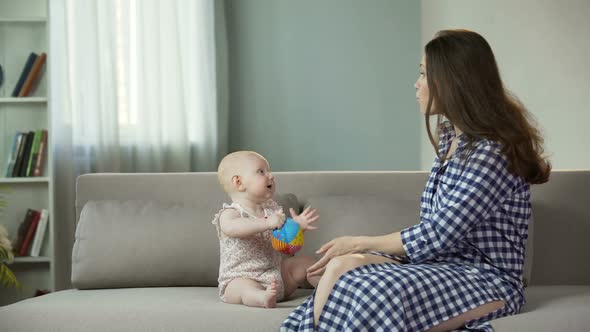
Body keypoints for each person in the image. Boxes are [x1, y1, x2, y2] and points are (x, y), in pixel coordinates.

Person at [281, 29, 551, 331]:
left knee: (372, 291)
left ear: (451, 82)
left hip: (486, 280)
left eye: (423, 74)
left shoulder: (491, 153)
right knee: (342, 268)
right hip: (438, 266)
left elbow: (437, 234)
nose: (416, 83)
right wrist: (355, 255)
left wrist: (358, 242)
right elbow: (433, 239)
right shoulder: (452, 138)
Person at [212, 150, 321, 308]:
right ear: (238, 182)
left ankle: (331, 287)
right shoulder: (230, 214)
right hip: (242, 278)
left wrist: (296, 228)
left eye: (269, 171)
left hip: (276, 276)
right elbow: (232, 228)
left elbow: (285, 247)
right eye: (261, 171)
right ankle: (260, 298)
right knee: (241, 288)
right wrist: (266, 223)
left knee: (305, 263)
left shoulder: (273, 211)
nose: (271, 176)